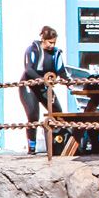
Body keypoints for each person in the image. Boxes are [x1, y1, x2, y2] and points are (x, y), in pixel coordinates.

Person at [21, 26, 67, 155]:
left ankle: (58, 144)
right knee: (33, 115)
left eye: (54, 43)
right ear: (43, 39)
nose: (52, 45)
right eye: (49, 42)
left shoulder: (56, 53)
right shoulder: (32, 50)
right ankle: (31, 147)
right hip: (29, 85)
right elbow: (28, 70)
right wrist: (41, 79)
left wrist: (67, 81)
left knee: (58, 112)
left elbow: (61, 70)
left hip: (45, 85)